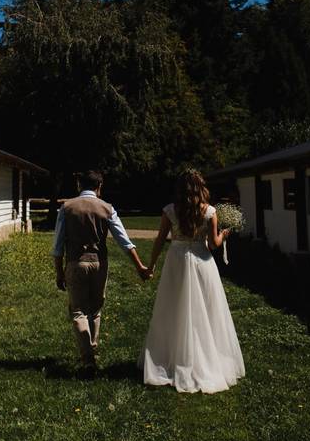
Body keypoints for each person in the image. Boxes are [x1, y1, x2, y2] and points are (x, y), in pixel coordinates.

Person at [139, 168, 245, 393]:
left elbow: (159, 240)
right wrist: (224, 235)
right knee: (205, 310)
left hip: (176, 259)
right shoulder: (209, 212)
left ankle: (172, 356)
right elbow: (214, 244)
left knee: (173, 307)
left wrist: (151, 264)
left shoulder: (170, 211)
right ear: (201, 188)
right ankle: (204, 358)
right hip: (201, 261)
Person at [51, 170, 150, 376]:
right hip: (99, 263)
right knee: (95, 309)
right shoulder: (107, 208)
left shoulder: (67, 208)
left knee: (78, 310)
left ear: (79, 185)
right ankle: (92, 350)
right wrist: (139, 266)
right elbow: (124, 241)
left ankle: (87, 358)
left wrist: (59, 272)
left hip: (75, 262)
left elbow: (58, 245)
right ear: (99, 186)